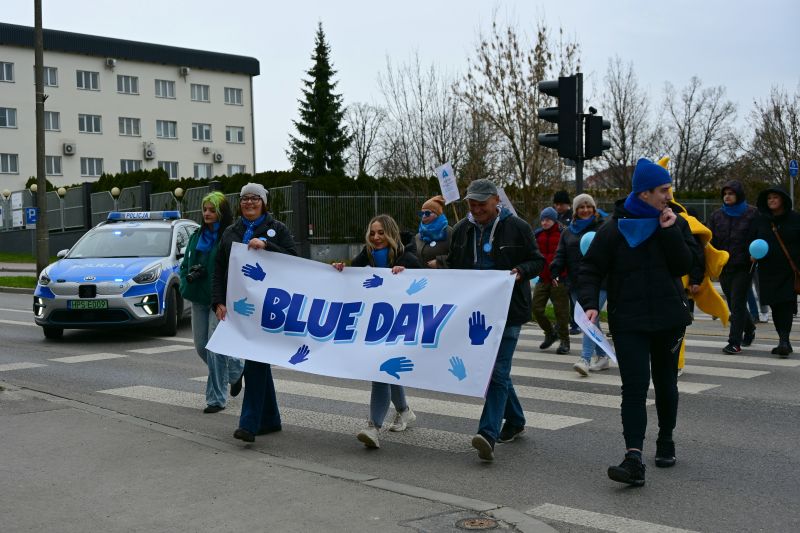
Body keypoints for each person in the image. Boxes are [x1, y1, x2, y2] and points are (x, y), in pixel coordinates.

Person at [579, 158, 698, 486]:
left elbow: (684, 265)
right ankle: (633, 458)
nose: (668, 196)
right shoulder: (613, 229)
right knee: (633, 388)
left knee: (665, 384)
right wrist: (590, 305)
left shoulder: (676, 222)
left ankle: (666, 440)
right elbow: (590, 269)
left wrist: (671, 231)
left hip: (669, 319)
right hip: (628, 320)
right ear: (644, 193)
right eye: (663, 190)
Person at [446, 179, 544, 461]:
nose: (476, 208)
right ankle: (515, 419)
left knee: (497, 371)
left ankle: (487, 433)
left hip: (508, 310)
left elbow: (537, 261)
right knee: (493, 371)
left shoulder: (518, 227)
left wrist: (520, 271)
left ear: (495, 201)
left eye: (481, 203)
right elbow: (453, 266)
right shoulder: (461, 230)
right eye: (472, 203)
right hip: (476, 312)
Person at [212, 183, 298, 443]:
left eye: (254, 198)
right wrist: (217, 301)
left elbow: (295, 261)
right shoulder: (230, 232)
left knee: (255, 360)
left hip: (268, 306)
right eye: (245, 198)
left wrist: (268, 246)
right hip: (239, 307)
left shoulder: (278, 229)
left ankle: (248, 424)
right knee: (256, 359)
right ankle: (270, 419)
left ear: (264, 202)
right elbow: (218, 268)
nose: (249, 203)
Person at [332, 214, 420, 448]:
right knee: (386, 368)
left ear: (391, 233)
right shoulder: (367, 255)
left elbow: (426, 284)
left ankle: (374, 427)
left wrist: (407, 274)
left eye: (381, 232)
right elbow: (351, 277)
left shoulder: (408, 257)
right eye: (372, 233)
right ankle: (404, 410)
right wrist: (341, 269)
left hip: (400, 324)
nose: (376, 237)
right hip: (375, 323)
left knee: (380, 370)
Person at [180, 191, 243, 413]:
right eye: (205, 209)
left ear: (221, 212)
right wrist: (185, 278)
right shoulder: (197, 235)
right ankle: (236, 369)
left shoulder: (229, 236)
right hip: (198, 297)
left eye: (212, 210)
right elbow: (186, 262)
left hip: (219, 300)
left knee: (215, 349)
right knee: (200, 347)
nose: (207, 213)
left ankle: (216, 399)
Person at [550, 193, 609, 375]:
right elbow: (561, 254)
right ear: (575, 211)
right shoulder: (568, 231)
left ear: (593, 208)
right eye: (581, 207)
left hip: (599, 281)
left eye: (588, 206)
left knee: (587, 320)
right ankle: (603, 356)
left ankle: (584, 358)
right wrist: (555, 271)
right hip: (575, 282)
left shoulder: (604, 228)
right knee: (592, 320)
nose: (585, 210)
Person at [707, 180, 759, 354]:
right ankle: (750, 327)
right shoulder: (716, 216)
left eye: (731, 193)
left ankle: (734, 342)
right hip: (724, 266)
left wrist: (756, 255)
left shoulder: (752, 213)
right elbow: (710, 240)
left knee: (737, 302)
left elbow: (759, 236)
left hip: (744, 265)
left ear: (739, 195)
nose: (727, 196)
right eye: (725, 194)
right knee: (733, 302)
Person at [751, 186, 800, 358]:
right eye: (769, 198)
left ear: (783, 200)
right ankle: (782, 339)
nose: (771, 200)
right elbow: (753, 239)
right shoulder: (762, 220)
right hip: (767, 270)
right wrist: (752, 254)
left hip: (788, 270)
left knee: (786, 304)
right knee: (775, 305)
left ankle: (784, 340)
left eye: (775, 197)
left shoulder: (795, 219)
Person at [532, 207, 570, 354]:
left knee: (561, 312)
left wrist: (563, 274)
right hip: (543, 277)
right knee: (536, 308)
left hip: (559, 278)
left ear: (554, 220)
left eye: (547, 219)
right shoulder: (537, 234)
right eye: (542, 219)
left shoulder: (563, 234)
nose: (544, 222)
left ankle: (565, 342)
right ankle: (550, 333)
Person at [414, 195, 453, 268]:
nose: (424, 216)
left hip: (442, 277)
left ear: (438, 214)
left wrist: (440, 262)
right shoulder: (418, 236)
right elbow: (412, 257)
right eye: (421, 213)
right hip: (422, 278)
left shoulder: (449, 232)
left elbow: (458, 256)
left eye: (427, 213)